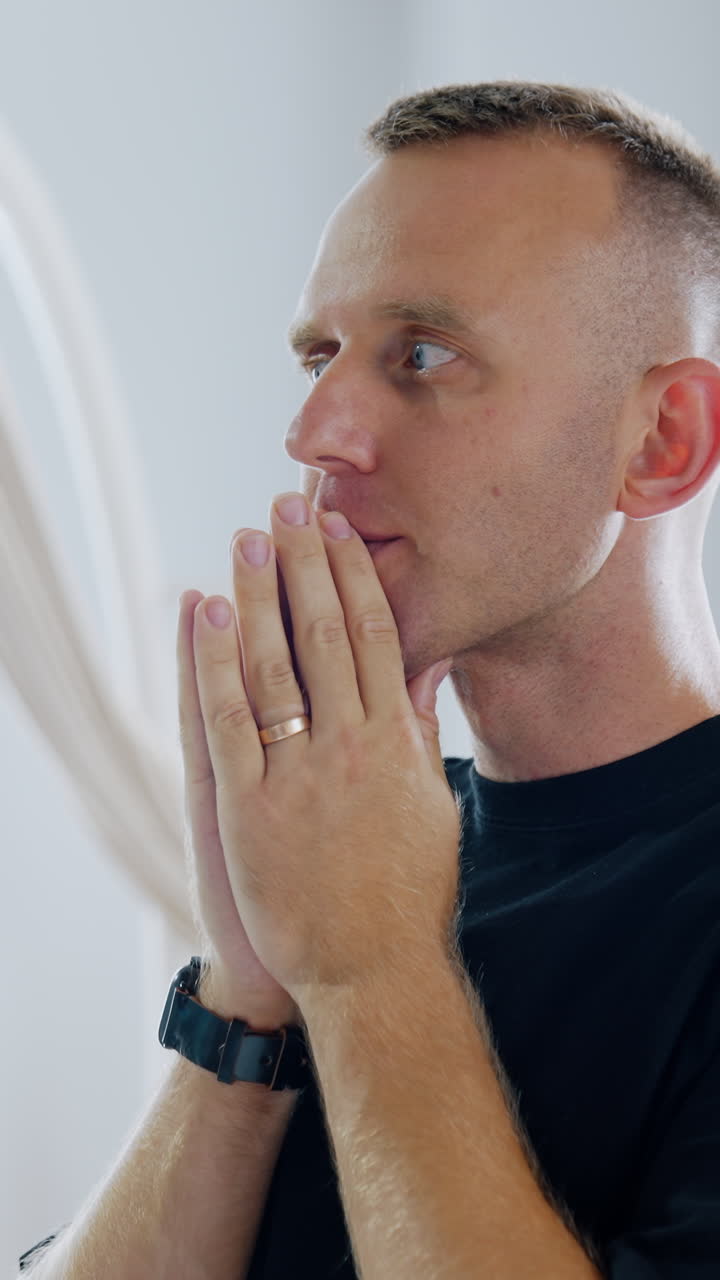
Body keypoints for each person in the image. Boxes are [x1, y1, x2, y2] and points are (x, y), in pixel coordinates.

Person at [20, 80, 720, 1278]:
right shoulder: (338, 842)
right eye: (318, 354)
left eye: (426, 352)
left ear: (661, 444)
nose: (315, 428)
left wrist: (369, 966)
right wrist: (243, 987)